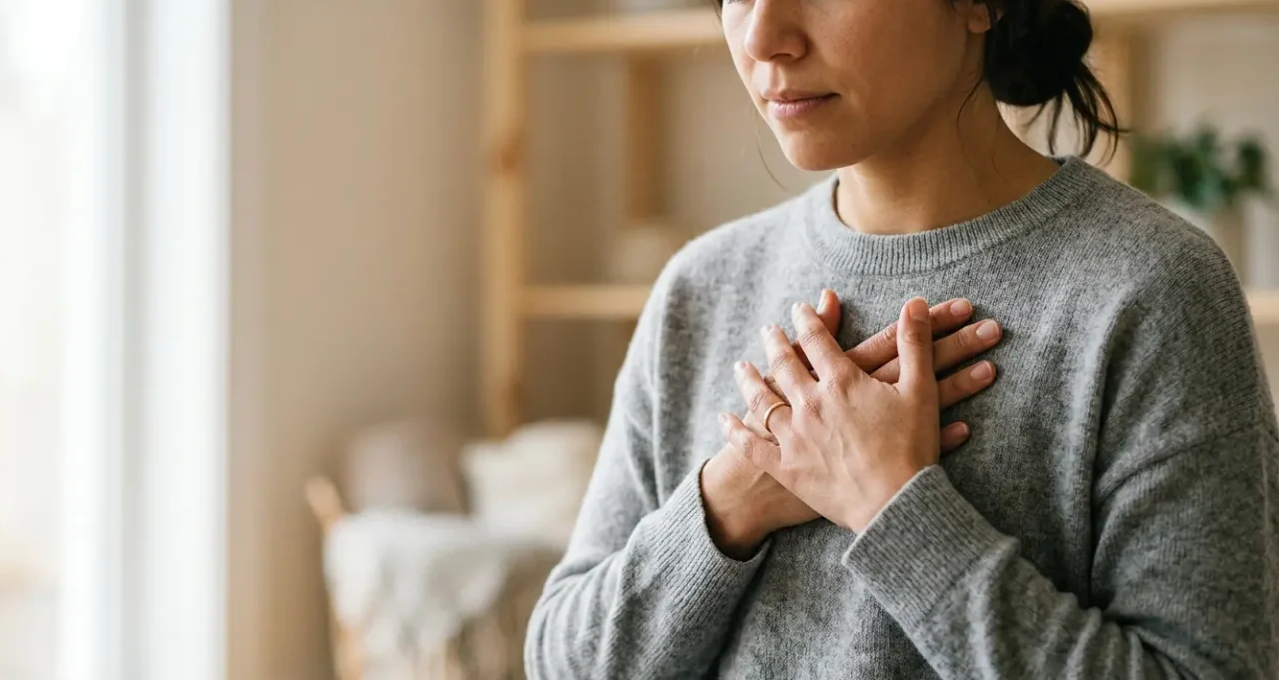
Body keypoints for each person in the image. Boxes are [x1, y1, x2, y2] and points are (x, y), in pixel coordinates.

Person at [525, 0, 1279, 677]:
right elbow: (564, 659)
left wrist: (894, 507)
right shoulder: (701, 285)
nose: (763, 36)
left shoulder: (1151, 290)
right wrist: (732, 500)